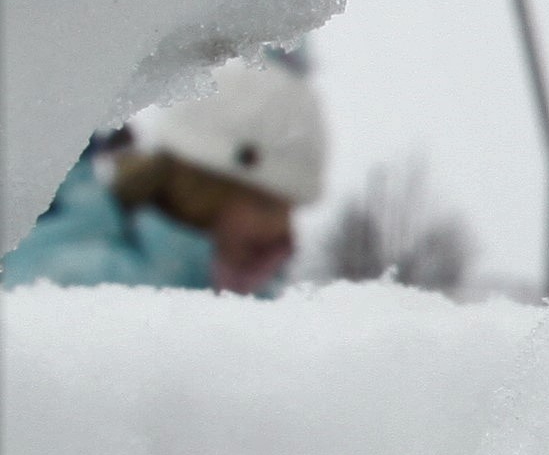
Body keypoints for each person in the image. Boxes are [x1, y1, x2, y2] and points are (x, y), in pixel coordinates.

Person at [2, 58, 325, 298]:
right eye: (265, 204)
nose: (284, 233)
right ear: (201, 189)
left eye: (289, 209)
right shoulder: (85, 284)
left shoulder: (240, 291)